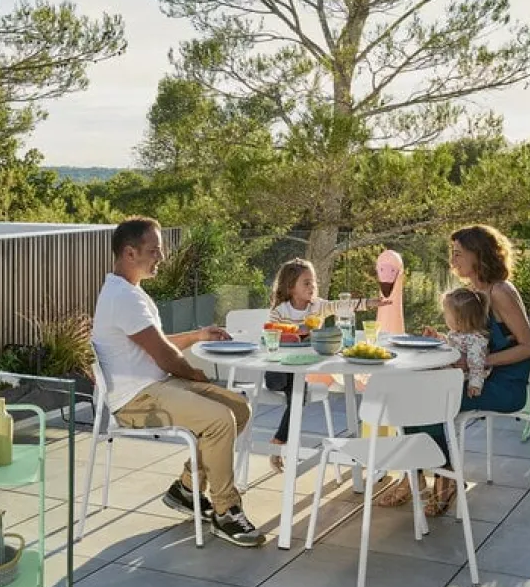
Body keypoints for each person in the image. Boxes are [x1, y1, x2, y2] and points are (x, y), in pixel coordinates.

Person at [92, 216, 265, 548]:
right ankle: (226, 510)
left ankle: (187, 489)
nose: (161, 257)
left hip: (156, 387)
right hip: (136, 401)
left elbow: (155, 342)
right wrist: (196, 376)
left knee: (238, 409)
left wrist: (198, 335)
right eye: (154, 250)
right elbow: (164, 356)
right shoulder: (122, 297)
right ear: (129, 253)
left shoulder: (129, 293)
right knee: (219, 419)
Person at [379, 223, 530, 517]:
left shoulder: (500, 292)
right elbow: (470, 340)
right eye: (452, 253)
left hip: (503, 385)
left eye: (458, 253)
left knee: (431, 399)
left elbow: (529, 347)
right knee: (411, 394)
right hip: (476, 377)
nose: (452, 260)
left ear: (479, 254)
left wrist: (479, 363)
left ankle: (444, 478)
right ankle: (417, 475)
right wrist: (442, 340)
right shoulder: (473, 291)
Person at [265, 257, 384, 471]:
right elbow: (270, 333)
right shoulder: (280, 311)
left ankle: (279, 441)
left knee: (297, 397)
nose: (312, 286)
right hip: (279, 369)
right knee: (292, 387)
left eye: (314, 282)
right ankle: (280, 442)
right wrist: (296, 331)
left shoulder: (318, 306)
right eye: (306, 283)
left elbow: (340, 305)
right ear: (291, 287)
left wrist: (369, 303)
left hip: (301, 370)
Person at [442, 286, 491, 397]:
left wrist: (475, 385)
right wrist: (440, 338)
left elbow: (477, 364)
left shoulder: (476, 340)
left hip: (462, 378)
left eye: (446, 313)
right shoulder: (455, 333)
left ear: (460, 319)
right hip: (452, 372)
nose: (444, 316)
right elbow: (452, 346)